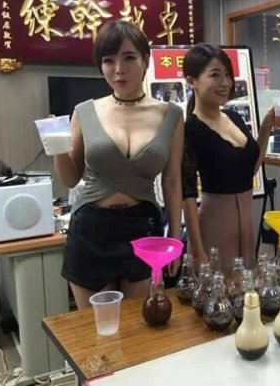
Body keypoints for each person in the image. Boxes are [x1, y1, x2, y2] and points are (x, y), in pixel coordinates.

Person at [53, 20, 184, 309]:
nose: (118, 69)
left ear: (145, 60)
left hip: (143, 228)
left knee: (137, 325)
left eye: (128, 58)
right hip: (91, 229)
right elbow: (71, 179)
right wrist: (56, 148)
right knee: (96, 328)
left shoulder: (171, 115)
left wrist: (175, 237)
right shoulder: (84, 112)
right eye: (108, 60)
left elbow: (172, 180)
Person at [182, 44, 274, 271]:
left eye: (227, 75)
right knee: (220, 286)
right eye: (215, 75)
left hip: (246, 221)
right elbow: (187, 194)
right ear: (191, 81)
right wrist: (197, 251)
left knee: (245, 284)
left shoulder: (234, 117)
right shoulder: (190, 129)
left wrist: (265, 129)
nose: (225, 83)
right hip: (214, 223)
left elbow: (249, 170)